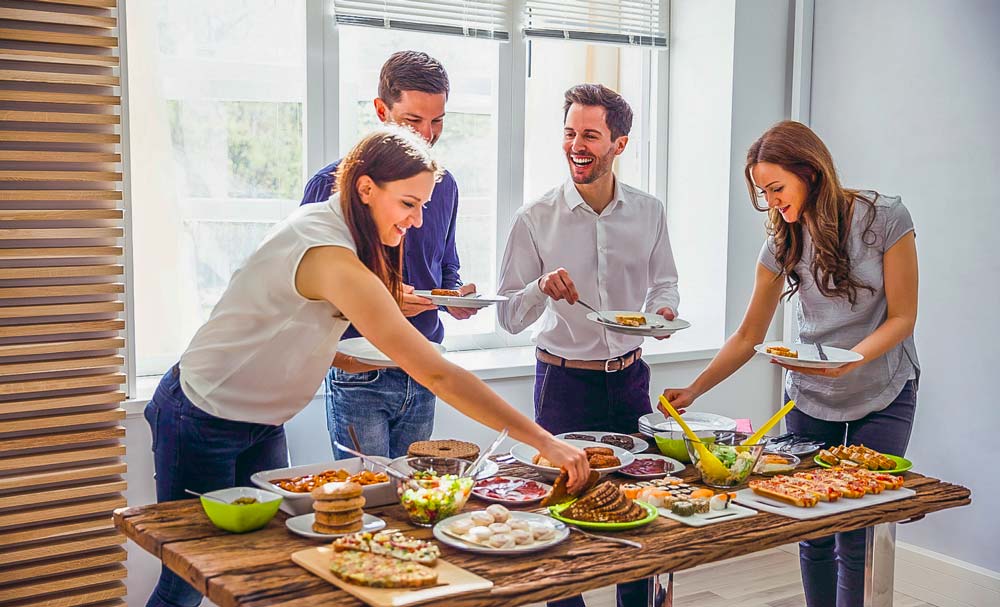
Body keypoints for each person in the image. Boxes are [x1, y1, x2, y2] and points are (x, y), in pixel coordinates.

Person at [143, 126, 590, 607]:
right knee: (188, 583)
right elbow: (436, 373)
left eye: (422, 206)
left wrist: (331, 355)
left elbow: (279, 317)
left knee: (269, 575)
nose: (417, 221)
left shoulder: (339, 230)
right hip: (201, 416)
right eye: (408, 204)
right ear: (365, 189)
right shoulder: (328, 251)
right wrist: (545, 441)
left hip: (264, 423)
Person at [661, 120, 919, 607]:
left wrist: (852, 360)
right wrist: (695, 391)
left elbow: (904, 316)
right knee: (811, 526)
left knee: (857, 529)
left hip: (883, 390)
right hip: (810, 395)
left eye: (777, 188)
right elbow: (748, 335)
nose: (772, 202)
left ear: (812, 172)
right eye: (763, 193)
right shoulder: (782, 241)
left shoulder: (885, 218)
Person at [497, 83, 679, 607]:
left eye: (591, 135)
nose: (577, 144)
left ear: (618, 144)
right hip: (562, 383)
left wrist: (662, 312)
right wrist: (540, 288)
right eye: (570, 133)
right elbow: (509, 315)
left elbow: (665, 284)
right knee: (561, 511)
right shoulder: (534, 218)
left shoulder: (649, 211)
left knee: (639, 504)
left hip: (629, 377)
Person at [301, 51, 476, 460]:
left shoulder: (444, 186)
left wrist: (453, 297)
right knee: (369, 500)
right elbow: (309, 292)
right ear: (381, 110)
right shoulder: (330, 186)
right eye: (413, 121)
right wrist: (381, 299)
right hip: (360, 370)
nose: (427, 134)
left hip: (423, 365)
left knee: (413, 499)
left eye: (437, 121)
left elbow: (444, 263)